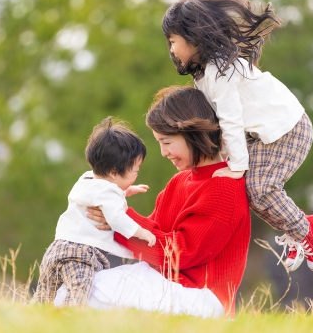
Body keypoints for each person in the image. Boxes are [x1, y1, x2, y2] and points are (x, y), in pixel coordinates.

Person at [161, 0, 313, 272]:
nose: (172, 50)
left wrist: (236, 165)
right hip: (264, 133)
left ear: (193, 36)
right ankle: (297, 230)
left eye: (173, 41)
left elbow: (230, 120)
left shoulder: (219, 72)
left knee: (259, 190)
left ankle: (307, 229)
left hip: (287, 128)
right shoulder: (205, 73)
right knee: (250, 191)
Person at [61, 86, 251, 317]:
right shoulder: (180, 181)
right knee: (71, 289)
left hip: (200, 295)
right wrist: (114, 219)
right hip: (164, 282)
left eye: (167, 142)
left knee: (89, 293)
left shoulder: (225, 188)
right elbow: (154, 233)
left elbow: (182, 252)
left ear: (193, 134)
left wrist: (123, 221)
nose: (163, 152)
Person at [31, 117, 156, 306]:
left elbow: (103, 194)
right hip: (81, 255)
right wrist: (141, 231)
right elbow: (116, 218)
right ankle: (69, 323)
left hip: (55, 249)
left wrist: (125, 191)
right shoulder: (109, 193)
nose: (136, 174)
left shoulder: (86, 179)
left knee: (43, 296)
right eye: (135, 171)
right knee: (77, 296)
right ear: (114, 172)